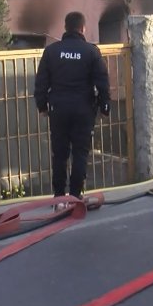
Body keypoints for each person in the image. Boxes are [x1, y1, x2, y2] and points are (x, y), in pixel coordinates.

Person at [34, 12, 110, 204]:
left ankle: (59, 198)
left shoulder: (51, 52)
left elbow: (41, 82)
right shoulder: (91, 52)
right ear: (83, 28)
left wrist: (42, 106)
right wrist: (105, 107)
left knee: (59, 153)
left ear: (65, 27)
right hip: (83, 110)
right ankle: (76, 196)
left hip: (58, 109)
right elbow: (102, 82)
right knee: (80, 153)